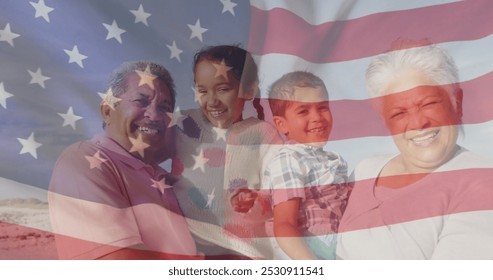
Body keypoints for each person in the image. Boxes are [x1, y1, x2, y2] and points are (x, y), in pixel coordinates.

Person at [337, 40, 493, 259]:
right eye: (399, 113)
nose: (418, 123)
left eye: (428, 104)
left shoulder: (481, 184)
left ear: (457, 102)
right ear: (385, 122)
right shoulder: (365, 170)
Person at [48, 61, 200, 259]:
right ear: (108, 110)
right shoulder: (83, 161)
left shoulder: (166, 178)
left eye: (164, 107)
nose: (154, 115)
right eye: (141, 101)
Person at [172, 45, 282, 259]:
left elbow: (277, 193)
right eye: (203, 91)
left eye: (223, 89)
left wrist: (254, 201)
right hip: (190, 242)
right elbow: (144, 146)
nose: (212, 101)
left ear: (249, 90)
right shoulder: (183, 124)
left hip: (243, 251)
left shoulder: (262, 134)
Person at [260, 71, 349, 259]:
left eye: (323, 107)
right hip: (307, 248)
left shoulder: (332, 159)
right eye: (303, 111)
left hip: (338, 242)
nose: (317, 117)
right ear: (282, 125)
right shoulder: (289, 159)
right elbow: (284, 224)